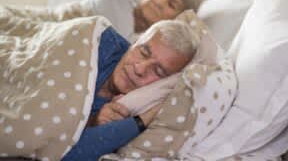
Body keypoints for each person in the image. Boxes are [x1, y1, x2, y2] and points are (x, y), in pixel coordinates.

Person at [61, 17, 200, 161]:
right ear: (134, 43)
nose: (140, 69)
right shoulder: (100, 44)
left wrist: (141, 121)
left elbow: (62, 155)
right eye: (143, 52)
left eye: (158, 71)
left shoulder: (134, 109)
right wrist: (91, 121)